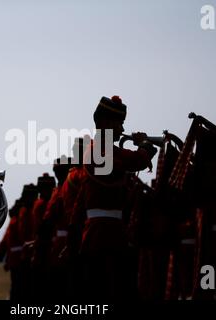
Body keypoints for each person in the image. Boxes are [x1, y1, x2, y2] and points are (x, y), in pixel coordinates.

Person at [67, 95, 157, 301]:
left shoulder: (102, 149)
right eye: (120, 124)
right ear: (107, 123)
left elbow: (80, 204)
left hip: (104, 233)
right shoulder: (100, 150)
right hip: (103, 235)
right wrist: (144, 147)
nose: (122, 130)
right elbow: (134, 161)